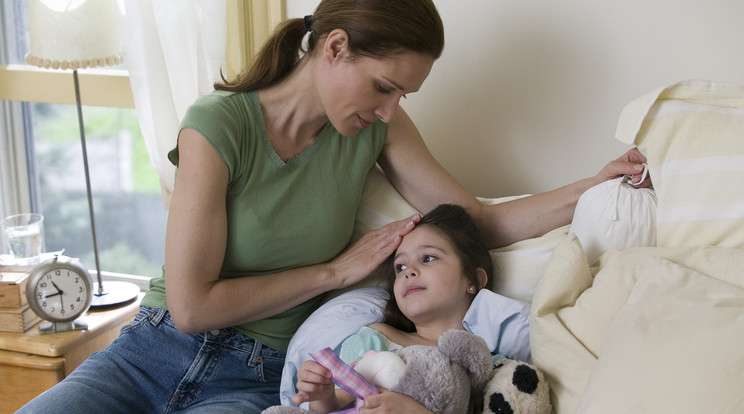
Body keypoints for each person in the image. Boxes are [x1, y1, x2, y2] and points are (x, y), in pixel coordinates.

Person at [18, 0, 649, 412]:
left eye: (402, 94)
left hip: (259, 378)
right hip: (148, 356)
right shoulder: (219, 125)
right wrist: (333, 273)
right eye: (383, 86)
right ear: (335, 46)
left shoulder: (376, 131)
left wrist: (592, 186)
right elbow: (190, 307)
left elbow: (476, 217)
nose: (389, 109)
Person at [292, 204, 528, 413]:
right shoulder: (376, 338)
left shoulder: (487, 363)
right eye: (400, 266)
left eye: (428, 258)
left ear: (473, 280)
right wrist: (323, 396)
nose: (408, 271)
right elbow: (338, 404)